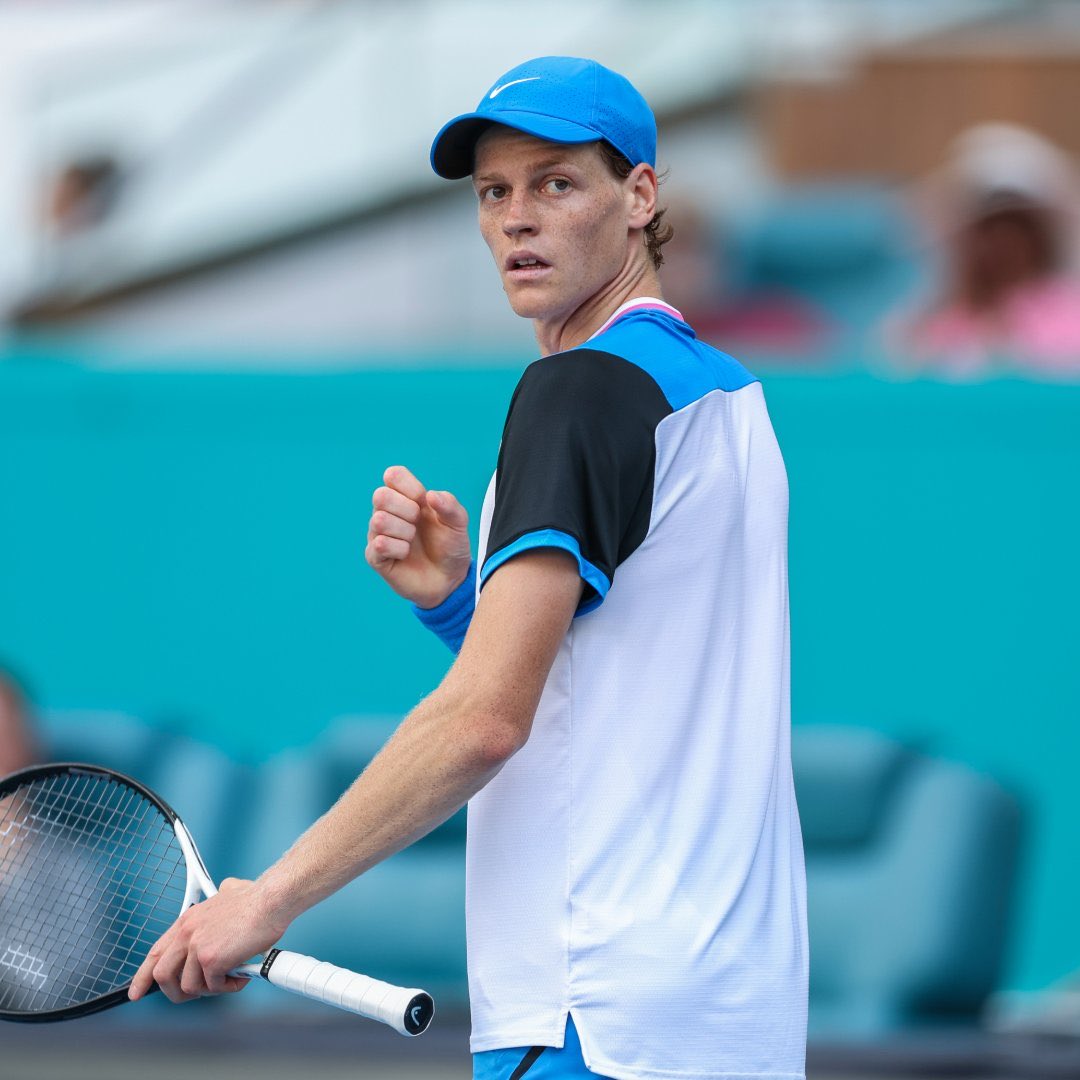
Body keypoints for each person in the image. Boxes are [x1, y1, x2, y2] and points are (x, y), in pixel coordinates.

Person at [131, 56, 808, 1080]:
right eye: (494, 192)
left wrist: (265, 900)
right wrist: (461, 606)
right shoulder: (727, 396)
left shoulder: (579, 393)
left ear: (640, 196)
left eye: (556, 183)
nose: (516, 218)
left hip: (595, 1016)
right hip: (730, 1020)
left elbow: (486, 721)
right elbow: (613, 687)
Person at [885, 123, 1080, 377]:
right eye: (988, 229)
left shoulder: (1068, 311)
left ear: (1039, 238)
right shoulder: (929, 320)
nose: (1002, 243)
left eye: (1016, 229)